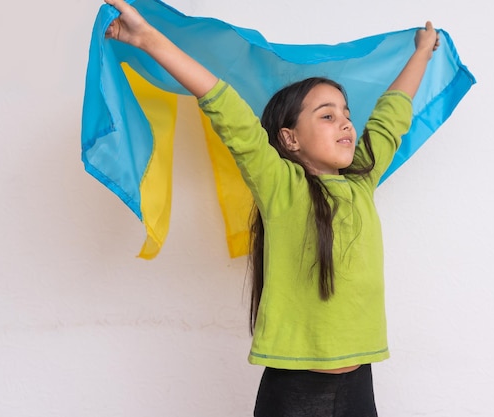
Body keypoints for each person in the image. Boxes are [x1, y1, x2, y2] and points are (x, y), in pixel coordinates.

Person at [103, 0, 439, 415]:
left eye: (346, 114)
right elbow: (226, 109)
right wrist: (150, 40)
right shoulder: (281, 187)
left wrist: (422, 51)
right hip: (295, 390)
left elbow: (392, 115)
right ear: (290, 139)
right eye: (327, 115)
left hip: (358, 383)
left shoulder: (362, 182)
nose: (346, 123)